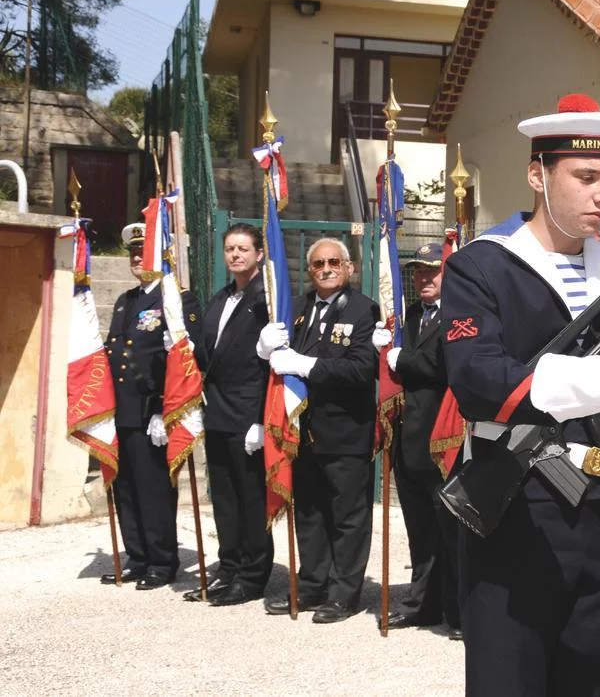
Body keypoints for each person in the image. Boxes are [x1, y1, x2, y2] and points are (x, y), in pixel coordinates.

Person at [442, 93, 600, 697]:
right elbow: (477, 377)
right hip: (518, 505)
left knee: (587, 681)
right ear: (537, 175)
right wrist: (587, 383)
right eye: (585, 178)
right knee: (510, 680)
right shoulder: (485, 267)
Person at [257, 237, 380, 624]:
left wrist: (306, 365)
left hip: (346, 432)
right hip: (303, 432)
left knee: (348, 517)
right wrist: (268, 351)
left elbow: (362, 370)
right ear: (309, 270)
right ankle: (311, 584)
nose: (325, 269)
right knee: (309, 513)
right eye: (317, 264)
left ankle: (344, 594)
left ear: (348, 267)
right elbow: (279, 362)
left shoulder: (363, 310)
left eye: (333, 262)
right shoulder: (297, 309)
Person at [102, 221, 200, 590]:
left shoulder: (177, 299)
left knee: (153, 488)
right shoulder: (125, 301)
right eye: (132, 255)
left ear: (161, 257)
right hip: (121, 411)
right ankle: (137, 557)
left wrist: (164, 408)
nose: (136, 261)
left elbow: (183, 360)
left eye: (143, 254)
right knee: (124, 487)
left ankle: (162, 561)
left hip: (152, 412)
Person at [188, 223, 273, 606]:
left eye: (243, 248)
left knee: (251, 498)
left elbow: (267, 367)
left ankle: (252, 576)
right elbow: (209, 355)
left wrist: (260, 418)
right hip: (217, 411)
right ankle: (228, 569)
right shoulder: (221, 298)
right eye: (230, 249)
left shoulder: (266, 299)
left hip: (248, 412)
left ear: (258, 254)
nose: (235, 255)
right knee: (223, 497)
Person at [381, 242, 461, 637]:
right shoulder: (411, 316)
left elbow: (447, 365)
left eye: (432, 270)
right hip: (409, 440)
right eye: (418, 272)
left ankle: (459, 610)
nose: (424, 278)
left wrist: (403, 359)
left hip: (444, 441)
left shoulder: (461, 316)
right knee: (421, 529)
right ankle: (423, 603)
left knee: (453, 531)